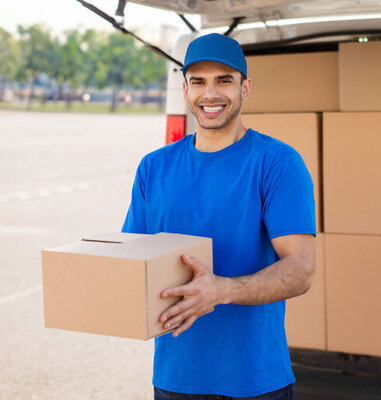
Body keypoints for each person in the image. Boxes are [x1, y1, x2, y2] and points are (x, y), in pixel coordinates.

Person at [121, 33, 316, 400]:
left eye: (224, 80)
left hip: (256, 380)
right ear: (185, 90)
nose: (210, 94)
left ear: (245, 88)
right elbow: (134, 260)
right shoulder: (153, 167)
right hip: (174, 378)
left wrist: (221, 290)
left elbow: (301, 270)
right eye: (198, 82)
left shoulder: (277, 163)